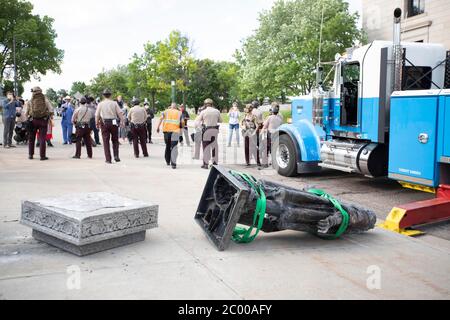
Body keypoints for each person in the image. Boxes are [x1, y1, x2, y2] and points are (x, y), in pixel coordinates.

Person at [95, 89, 125, 164]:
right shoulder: (114, 103)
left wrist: (97, 123)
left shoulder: (100, 104)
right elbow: (120, 113)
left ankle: (108, 159)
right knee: (115, 140)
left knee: (106, 141)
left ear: (103, 95)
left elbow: (97, 115)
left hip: (104, 123)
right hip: (114, 122)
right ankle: (116, 156)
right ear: (110, 95)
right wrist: (122, 121)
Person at [25, 87, 53, 160]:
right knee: (42, 138)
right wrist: (48, 115)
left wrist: (28, 118)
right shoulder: (45, 100)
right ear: (40, 91)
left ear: (33, 92)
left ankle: (31, 155)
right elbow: (51, 110)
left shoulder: (30, 101)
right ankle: (42, 156)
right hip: (43, 121)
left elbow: (26, 113)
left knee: (31, 138)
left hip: (32, 121)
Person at [197, 98, 222, 169]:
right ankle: (215, 163)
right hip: (214, 130)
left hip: (206, 130)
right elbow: (221, 120)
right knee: (214, 147)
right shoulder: (217, 111)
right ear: (212, 104)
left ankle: (205, 164)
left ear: (205, 104)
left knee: (205, 147)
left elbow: (198, 121)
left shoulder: (203, 112)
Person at [156, 103, 182, 169]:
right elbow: (182, 123)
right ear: (176, 107)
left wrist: (158, 127)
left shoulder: (166, 111)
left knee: (168, 146)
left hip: (167, 132)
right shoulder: (179, 113)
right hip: (175, 132)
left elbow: (161, 119)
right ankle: (173, 164)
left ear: (171, 107)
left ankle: (167, 160)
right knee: (174, 147)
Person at [260, 102, 284, 168]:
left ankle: (265, 164)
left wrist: (261, 133)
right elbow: (281, 124)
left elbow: (264, 125)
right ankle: (274, 163)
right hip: (277, 134)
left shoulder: (270, 117)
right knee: (274, 149)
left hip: (270, 134)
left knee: (266, 148)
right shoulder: (280, 117)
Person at [251, 100, 264, 166]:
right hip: (261, 125)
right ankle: (260, 154)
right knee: (260, 141)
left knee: (254, 141)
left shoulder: (253, 111)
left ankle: (256, 154)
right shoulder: (260, 111)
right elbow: (262, 119)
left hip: (256, 126)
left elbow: (252, 120)